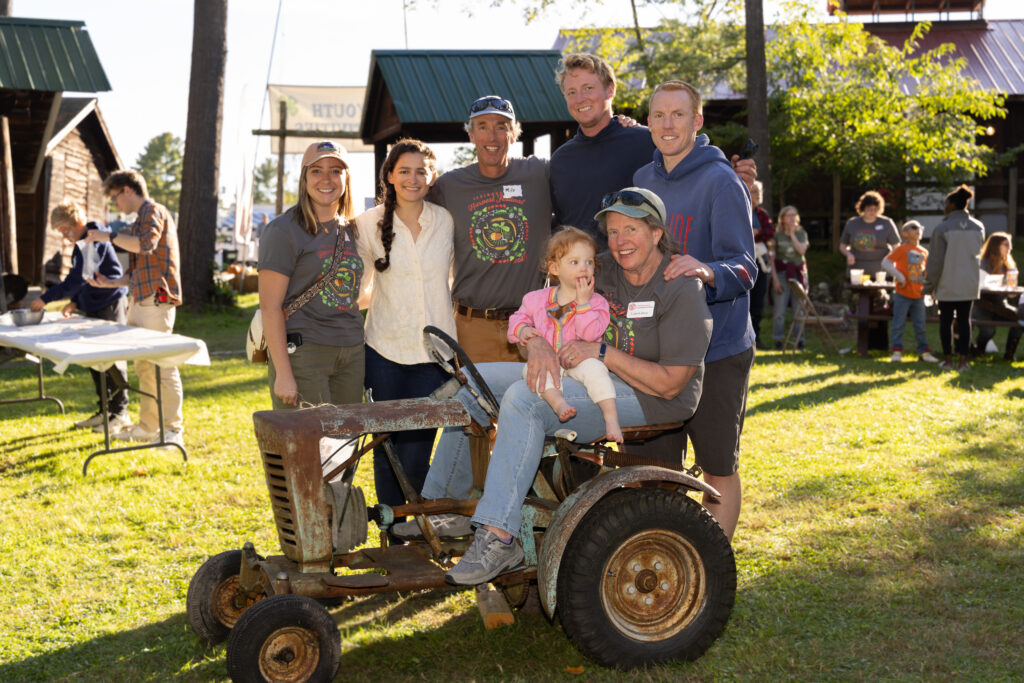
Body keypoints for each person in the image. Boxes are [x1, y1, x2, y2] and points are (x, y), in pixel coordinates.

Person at [394, 188, 712, 586]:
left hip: (653, 397)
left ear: (656, 232)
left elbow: (671, 385)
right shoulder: (605, 270)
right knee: (473, 383)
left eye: (631, 229)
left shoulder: (679, 286)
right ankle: (443, 509)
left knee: (526, 400)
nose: (619, 241)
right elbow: (543, 303)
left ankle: (499, 536)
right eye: (612, 232)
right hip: (588, 374)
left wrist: (601, 351)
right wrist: (536, 338)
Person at [633, 80, 755, 541]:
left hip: (717, 348)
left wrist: (707, 269)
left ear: (697, 121)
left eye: (678, 115)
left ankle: (713, 564)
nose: (667, 124)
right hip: (657, 352)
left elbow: (746, 268)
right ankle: (672, 557)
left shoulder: (721, 181)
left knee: (717, 467)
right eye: (658, 115)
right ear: (648, 124)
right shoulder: (641, 182)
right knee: (658, 467)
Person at [548, 52, 758, 251]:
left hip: (638, 280)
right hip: (581, 280)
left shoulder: (648, 141)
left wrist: (733, 179)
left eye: (588, 88)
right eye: (571, 92)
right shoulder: (559, 162)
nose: (580, 99)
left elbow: (696, 175)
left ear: (610, 90)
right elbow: (558, 224)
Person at [354, 139, 454, 521]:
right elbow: (357, 288)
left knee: (417, 454)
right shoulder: (367, 224)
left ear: (432, 177)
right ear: (391, 176)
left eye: (421, 171)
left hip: (433, 356)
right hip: (384, 352)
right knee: (387, 450)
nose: (413, 178)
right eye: (405, 170)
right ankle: (394, 533)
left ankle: (418, 528)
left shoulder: (444, 221)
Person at [429, 95, 550, 363]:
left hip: (530, 324)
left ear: (513, 135)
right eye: (482, 126)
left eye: (501, 127)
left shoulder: (539, 174)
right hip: (472, 326)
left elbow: (586, 170)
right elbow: (407, 213)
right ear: (471, 135)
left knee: (532, 402)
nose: (492, 136)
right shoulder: (449, 186)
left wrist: (617, 125)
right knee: (473, 403)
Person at [258, 141, 368, 409]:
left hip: (352, 351)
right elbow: (269, 307)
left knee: (346, 444)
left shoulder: (355, 230)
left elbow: (356, 295)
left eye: (335, 171)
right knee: (307, 445)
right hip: (305, 353)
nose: (326, 179)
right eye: (316, 171)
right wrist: (284, 373)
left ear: (346, 178)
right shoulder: (284, 230)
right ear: (304, 178)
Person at [85, 170, 184, 446]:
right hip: (141, 300)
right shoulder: (141, 217)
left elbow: (145, 245)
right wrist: (109, 283)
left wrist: (107, 236)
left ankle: (173, 431)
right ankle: (149, 426)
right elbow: (138, 270)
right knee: (143, 365)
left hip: (157, 299)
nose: (116, 205)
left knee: (162, 365)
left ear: (127, 190)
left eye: (115, 198)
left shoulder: (153, 210)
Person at [507, 227, 620, 442]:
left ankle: (611, 417)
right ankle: (559, 404)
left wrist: (583, 304)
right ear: (554, 268)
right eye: (574, 262)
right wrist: (523, 330)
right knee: (532, 371)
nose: (584, 268)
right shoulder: (535, 299)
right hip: (550, 363)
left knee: (597, 371)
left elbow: (590, 334)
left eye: (589, 262)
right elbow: (515, 321)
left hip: (581, 362)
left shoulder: (597, 303)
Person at [29, 200, 130, 431]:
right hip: (92, 306)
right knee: (95, 360)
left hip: (109, 304)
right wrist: (75, 302)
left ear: (79, 221)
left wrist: (46, 298)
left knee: (113, 359)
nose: (64, 235)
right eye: (61, 231)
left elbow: (77, 279)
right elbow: (86, 278)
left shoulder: (95, 240)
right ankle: (104, 410)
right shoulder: (80, 243)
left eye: (66, 229)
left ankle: (119, 413)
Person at [923, 185, 985, 372]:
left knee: (946, 321)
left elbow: (935, 261)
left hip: (947, 283)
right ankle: (963, 362)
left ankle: (948, 361)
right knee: (965, 321)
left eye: (945, 203)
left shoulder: (942, 228)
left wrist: (928, 286)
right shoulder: (978, 227)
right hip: (969, 283)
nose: (944, 207)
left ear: (951, 205)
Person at [882, 221, 939, 363]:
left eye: (920, 228)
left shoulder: (924, 252)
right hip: (902, 294)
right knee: (898, 324)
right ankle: (896, 352)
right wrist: (899, 276)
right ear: (905, 233)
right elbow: (886, 263)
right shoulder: (901, 249)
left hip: (918, 295)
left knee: (920, 325)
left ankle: (924, 353)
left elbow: (926, 272)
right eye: (914, 228)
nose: (918, 230)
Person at [972, 231, 1021, 360]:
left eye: (1010, 245)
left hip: (1000, 305)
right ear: (995, 246)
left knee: (1020, 321)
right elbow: (980, 285)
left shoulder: (1009, 265)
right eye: (1006, 245)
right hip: (983, 304)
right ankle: (979, 350)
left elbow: (1011, 295)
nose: (1010, 248)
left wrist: (1012, 290)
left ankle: (1009, 355)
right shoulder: (983, 263)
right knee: (988, 331)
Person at [770, 205, 809, 351]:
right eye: (789, 215)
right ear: (782, 218)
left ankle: (799, 341)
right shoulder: (776, 235)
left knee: (799, 309)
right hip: (781, 274)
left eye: (794, 215)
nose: (792, 218)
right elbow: (771, 259)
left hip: (799, 273)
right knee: (779, 311)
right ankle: (778, 340)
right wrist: (774, 279)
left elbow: (801, 250)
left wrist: (792, 234)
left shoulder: (801, 233)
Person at [839, 190, 901, 276]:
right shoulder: (852, 223)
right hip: (856, 271)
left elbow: (896, 247)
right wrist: (848, 254)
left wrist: (889, 259)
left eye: (875, 209)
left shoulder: (887, 223)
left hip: (882, 272)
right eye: (869, 209)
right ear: (862, 209)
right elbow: (842, 246)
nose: (872, 212)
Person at [749, 181, 774, 350]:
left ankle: (756, 338)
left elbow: (770, 232)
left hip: (761, 263)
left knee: (758, 302)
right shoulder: (738, 209)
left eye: (758, 191)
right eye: (753, 191)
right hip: (744, 262)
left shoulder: (762, 214)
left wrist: (757, 232)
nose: (757, 194)